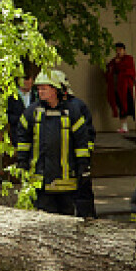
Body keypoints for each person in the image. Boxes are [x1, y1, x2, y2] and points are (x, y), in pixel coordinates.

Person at [15, 70, 91, 215]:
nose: (40, 92)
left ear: (55, 90)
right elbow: (22, 139)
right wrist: (22, 162)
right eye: (38, 89)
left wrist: (83, 165)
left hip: (66, 182)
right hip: (41, 182)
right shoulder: (31, 113)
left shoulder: (72, 112)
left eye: (44, 88)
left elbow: (81, 142)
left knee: (67, 220)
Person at [54, 70, 97, 218]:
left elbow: (88, 135)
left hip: (76, 163)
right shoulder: (45, 108)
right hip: (58, 166)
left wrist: (84, 161)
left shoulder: (77, 106)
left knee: (83, 198)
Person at [105, 42, 136, 133]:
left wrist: (118, 64)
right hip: (117, 89)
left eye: (120, 50)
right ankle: (124, 126)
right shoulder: (113, 61)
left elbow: (129, 71)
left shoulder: (128, 59)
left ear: (124, 50)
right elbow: (108, 71)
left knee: (132, 106)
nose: (118, 52)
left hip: (127, 87)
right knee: (121, 107)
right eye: (117, 50)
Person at [6, 73, 36, 146]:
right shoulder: (10, 96)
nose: (25, 82)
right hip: (16, 137)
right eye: (22, 79)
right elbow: (7, 116)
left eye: (27, 79)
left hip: (34, 138)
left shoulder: (37, 95)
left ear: (32, 80)